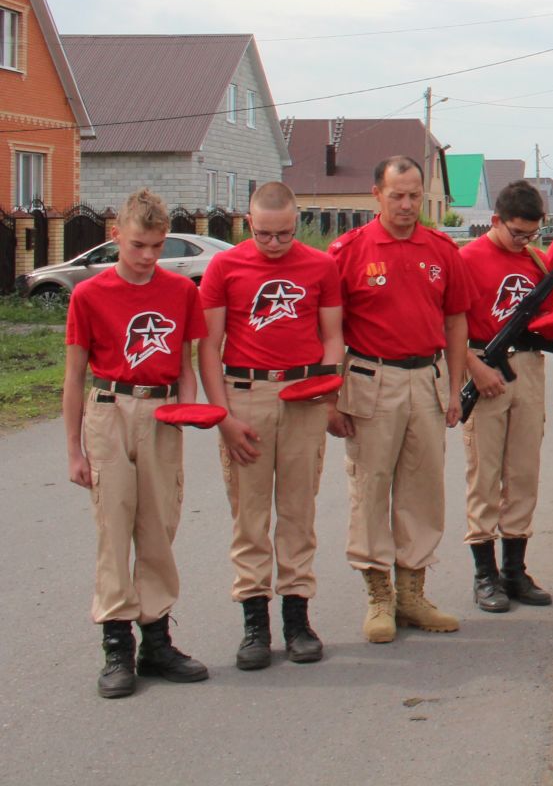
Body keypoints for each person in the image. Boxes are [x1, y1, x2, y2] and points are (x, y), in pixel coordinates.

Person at [62, 188, 210, 698]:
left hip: (162, 410)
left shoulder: (180, 291)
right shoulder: (89, 294)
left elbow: (186, 363)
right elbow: (75, 377)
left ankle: (157, 640)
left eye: (156, 246)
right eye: (138, 245)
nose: (147, 257)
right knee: (115, 524)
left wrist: (186, 410)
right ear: (117, 237)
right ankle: (116, 646)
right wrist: (75, 451)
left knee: (158, 526)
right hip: (110, 410)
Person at [197, 181, 345, 669]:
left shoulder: (320, 266)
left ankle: (297, 619)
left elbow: (332, 336)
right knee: (250, 514)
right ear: (248, 223)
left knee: (298, 512)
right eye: (264, 235)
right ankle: (254, 623)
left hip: (303, 395)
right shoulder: (224, 266)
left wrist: (326, 390)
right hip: (247, 395)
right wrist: (223, 418)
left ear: (296, 223)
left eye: (283, 235)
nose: (275, 244)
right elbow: (209, 347)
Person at [329, 156, 473, 642]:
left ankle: (412, 594)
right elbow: (325, 329)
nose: (408, 205)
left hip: (426, 380)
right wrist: (331, 397)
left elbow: (456, 321)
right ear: (377, 195)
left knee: (422, 489)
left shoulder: (441, 249)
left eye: (414, 195)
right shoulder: (349, 251)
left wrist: (455, 388)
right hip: (370, 380)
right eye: (398, 196)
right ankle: (378, 598)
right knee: (370, 489)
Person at [459, 179, 553, 611]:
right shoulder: (467, 259)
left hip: (528, 370)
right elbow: (450, 323)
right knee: (485, 474)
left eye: (532, 234)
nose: (524, 241)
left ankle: (515, 570)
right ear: (495, 220)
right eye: (516, 233)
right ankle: (485, 575)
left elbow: (547, 320)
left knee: (522, 473)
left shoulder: (536, 260)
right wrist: (473, 367)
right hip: (484, 369)